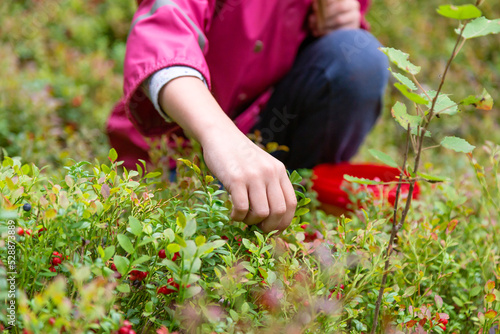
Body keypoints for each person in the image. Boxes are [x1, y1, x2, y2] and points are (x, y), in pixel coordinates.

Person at [107, 0, 389, 234]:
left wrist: (342, 24)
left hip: (264, 129)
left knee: (357, 54)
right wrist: (221, 137)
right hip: (174, 149)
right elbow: (163, 33)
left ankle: (297, 205)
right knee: (187, 241)